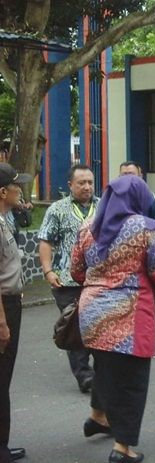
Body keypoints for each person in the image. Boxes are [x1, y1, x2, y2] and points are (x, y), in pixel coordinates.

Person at [71, 175, 155, 463]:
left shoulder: (87, 228)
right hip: (129, 315)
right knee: (131, 380)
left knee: (105, 368)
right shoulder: (146, 228)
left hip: (91, 315)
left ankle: (98, 417)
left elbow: (76, 270)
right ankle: (123, 448)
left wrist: (99, 285)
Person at [37, 164, 98, 393]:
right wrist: (48, 271)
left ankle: (98, 371)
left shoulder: (104, 207)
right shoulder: (57, 209)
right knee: (76, 327)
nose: (87, 187)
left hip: (97, 280)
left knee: (97, 326)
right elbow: (45, 241)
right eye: (81, 182)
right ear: (70, 185)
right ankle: (85, 376)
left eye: (90, 182)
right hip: (66, 282)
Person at [118, 161, 155, 360]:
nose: (128, 178)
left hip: (146, 265)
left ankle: (150, 344)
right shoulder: (112, 198)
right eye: (124, 175)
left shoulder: (149, 199)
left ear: (141, 176)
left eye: (132, 174)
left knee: (146, 306)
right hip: (119, 267)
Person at [0, 163, 31, 463]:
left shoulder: (5, 218)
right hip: (4, 307)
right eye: (15, 185)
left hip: (11, 304)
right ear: (2, 191)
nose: (20, 189)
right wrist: (2, 322)